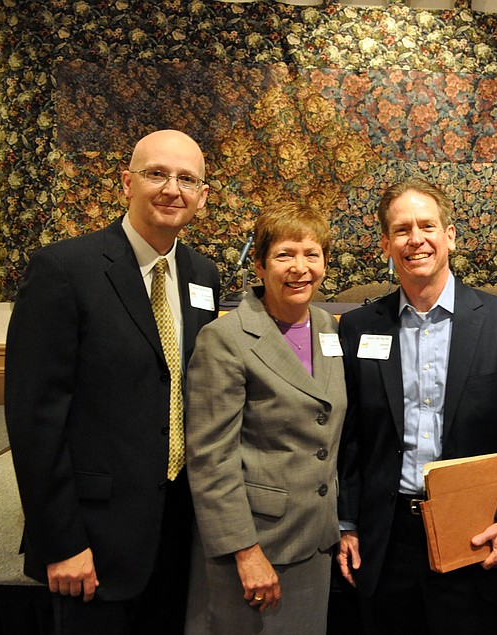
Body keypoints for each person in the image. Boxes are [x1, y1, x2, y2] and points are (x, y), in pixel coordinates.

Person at [4, 129, 220, 634]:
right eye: (156, 174)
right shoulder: (64, 269)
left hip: (175, 534)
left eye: (187, 178)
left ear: (202, 197)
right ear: (126, 182)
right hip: (90, 543)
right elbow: (35, 421)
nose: (172, 188)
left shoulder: (202, 276)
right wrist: (61, 542)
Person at [336, 178, 497, 635]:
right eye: (401, 229)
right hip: (387, 539)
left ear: (449, 235)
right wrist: (347, 521)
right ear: (385, 244)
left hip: (477, 535)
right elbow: (351, 437)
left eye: (427, 226)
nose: (416, 239)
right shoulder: (357, 328)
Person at [184, 201, 346, 634]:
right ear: (258, 264)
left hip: (314, 539)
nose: (300, 267)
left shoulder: (330, 329)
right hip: (256, 546)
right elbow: (210, 459)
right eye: (284, 254)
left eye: (312, 254)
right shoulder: (226, 339)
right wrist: (244, 550)